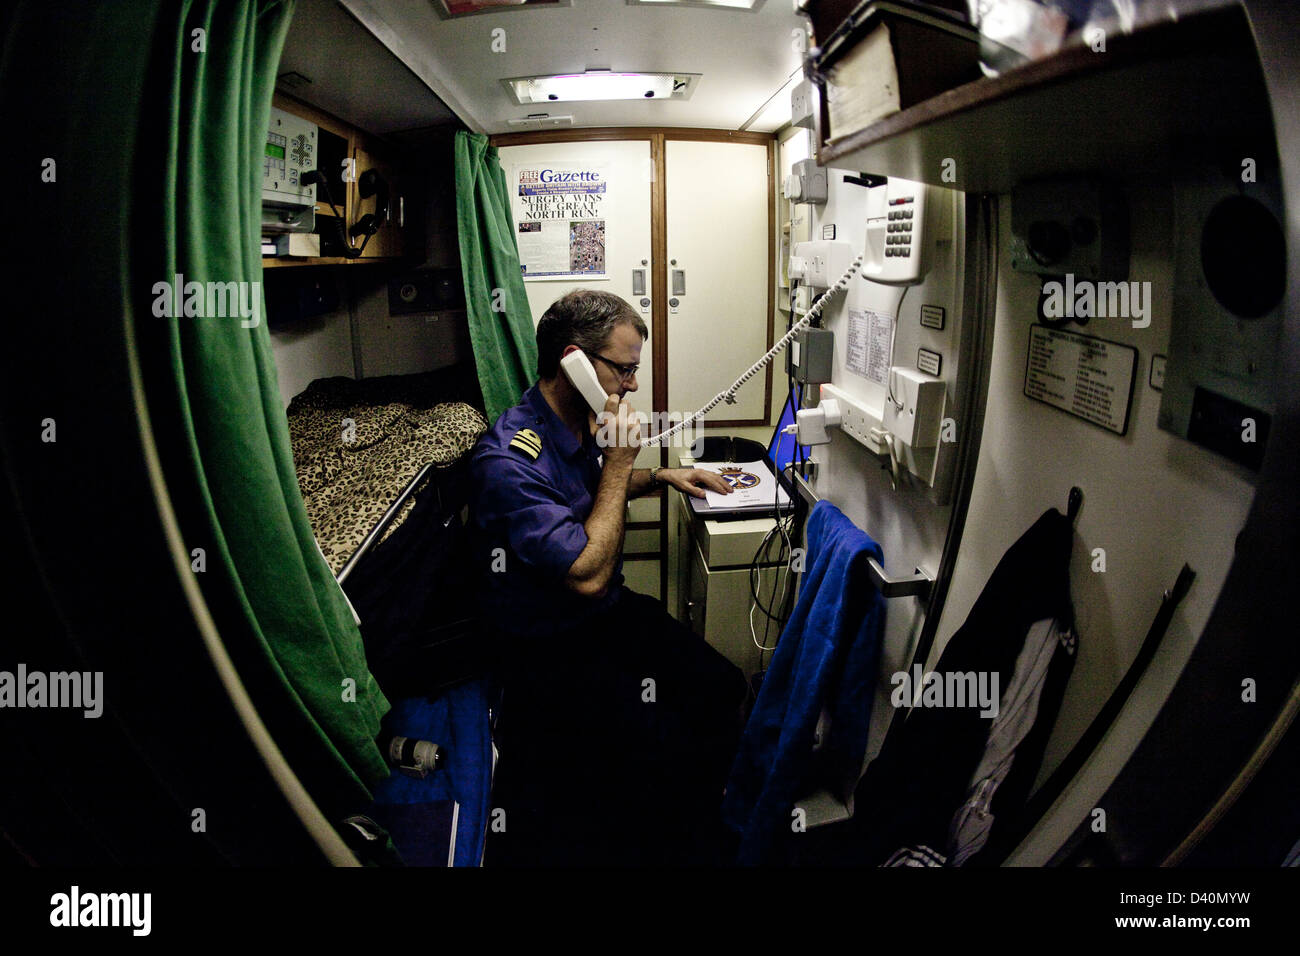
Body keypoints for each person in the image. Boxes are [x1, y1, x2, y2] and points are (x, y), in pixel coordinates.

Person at [469, 289, 748, 866]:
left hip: (604, 616)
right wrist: (621, 461)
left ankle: (699, 821)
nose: (633, 385)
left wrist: (662, 474)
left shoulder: (578, 423)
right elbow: (588, 575)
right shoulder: (509, 461)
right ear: (574, 361)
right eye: (624, 369)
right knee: (650, 751)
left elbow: (592, 497)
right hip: (550, 642)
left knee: (721, 688)